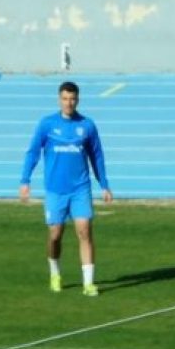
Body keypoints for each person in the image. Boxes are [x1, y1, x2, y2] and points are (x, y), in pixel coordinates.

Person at [19, 80, 113, 296]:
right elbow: (32, 152)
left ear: (77, 100)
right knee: (55, 234)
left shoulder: (87, 126)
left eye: (72, 99)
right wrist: (25, 180)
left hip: (80, 188)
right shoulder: (47, 124)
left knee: (84, 230)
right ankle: (55, 273)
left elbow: (97, 156)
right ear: (59, 99)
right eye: (65, 99)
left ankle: (88, 283)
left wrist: (104, 185)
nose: (68, 103)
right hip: (55, 190)